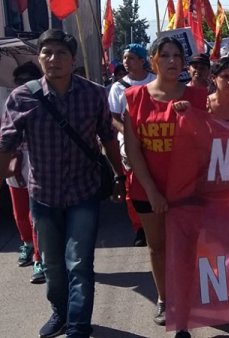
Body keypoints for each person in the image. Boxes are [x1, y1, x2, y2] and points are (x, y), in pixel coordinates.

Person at [0, 28, 124, 338]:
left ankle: (78, 328)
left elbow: (108, 138)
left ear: (72, 60)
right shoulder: (22, 96)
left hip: (84, 193)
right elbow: (6, 144)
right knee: (53, 267)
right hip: (43, 195)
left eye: (61, 54)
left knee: (79, 262)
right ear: (39, 58)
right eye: (47, 53)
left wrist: (120, 175)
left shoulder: (94, 94)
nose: (53, 59)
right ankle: (61, 312)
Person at [123, 36, 207, 338]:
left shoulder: (197, 97)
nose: (172, 61)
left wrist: (192, 119)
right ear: (153, 60)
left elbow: (207, 144)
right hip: (147, 189)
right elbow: (133, 150)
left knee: (186, 250)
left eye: (177, 55)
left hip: (187, 190)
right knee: (158, 248)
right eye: (165, 55)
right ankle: (165, 299)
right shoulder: (134, 96)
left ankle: (187, 300)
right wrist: (153, 191)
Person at [108, 43, 156, 247]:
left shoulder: (155, 81)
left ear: (142, 59)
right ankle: (140, 227)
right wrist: (128, 133)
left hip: (155, 139)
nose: (126, 62)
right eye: (124, 58)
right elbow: (113, 116)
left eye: (131, 58)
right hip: (128, 141)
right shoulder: (118, 87)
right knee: (133, 184)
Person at [6, 61, 46, 284]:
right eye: (17, 82)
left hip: (37, 168)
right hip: (14, 168)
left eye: (26, 81)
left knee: (36, 218)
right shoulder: (8, 104)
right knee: (20, 214)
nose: (20, 86)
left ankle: (40, 258)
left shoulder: (43, 103)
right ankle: (27, 245)